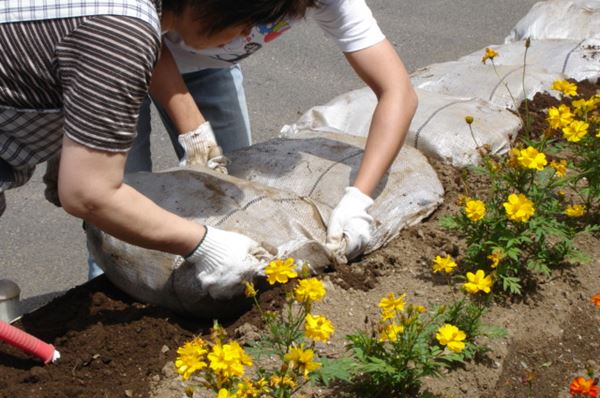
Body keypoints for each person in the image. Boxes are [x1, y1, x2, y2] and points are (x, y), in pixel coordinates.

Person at [0, 0, 320, 302]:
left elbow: (48, 61)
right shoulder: (123, 33)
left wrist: (70, 146)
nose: (245, 37)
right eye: (248, 23)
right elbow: (89, 195)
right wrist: (206, 245)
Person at [86, 0, 419, 278]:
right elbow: (133, 24)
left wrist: (358, 197)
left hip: (210, 65)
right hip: (120, 57)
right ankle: (108, 291)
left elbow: (397, 92)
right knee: (115, 195)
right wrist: (192, 124)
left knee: (236, 198)